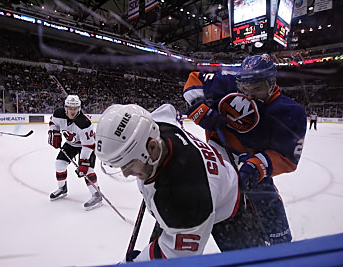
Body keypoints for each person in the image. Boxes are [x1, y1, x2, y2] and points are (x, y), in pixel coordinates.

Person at [95, 103, 269, 262]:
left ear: (153, 147)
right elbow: (168, 109)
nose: (126, 174)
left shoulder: (184, 199)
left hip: (230, 210)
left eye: (129, 164)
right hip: (192, 196)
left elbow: (175, 258)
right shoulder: (159, 124)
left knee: (256, 262)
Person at [184, 54, 307, 245]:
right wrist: (199, 109)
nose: (248, 95)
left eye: (257, 89)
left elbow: (287, 158)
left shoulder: (290, 112)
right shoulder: (227, 82)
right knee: (183, 209)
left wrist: (256, 166)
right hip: (217, 166)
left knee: (278, 239)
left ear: (271, 83)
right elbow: (194, 80)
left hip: (255, 178)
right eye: (244, 89)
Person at [48, 95, 102, 210]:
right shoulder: (58, 114)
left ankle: (97, 194)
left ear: (79, 108)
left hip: (87, 146)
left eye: (75, 108)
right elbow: (53, 122)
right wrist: (55, 133)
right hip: (71, 144)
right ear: (65, 107)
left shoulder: (84, 123)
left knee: (87, 170)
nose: (73, 111)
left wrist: (83, 162)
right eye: (70, 108)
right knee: (59, 164)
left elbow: (88, 145)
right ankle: (62, 188)